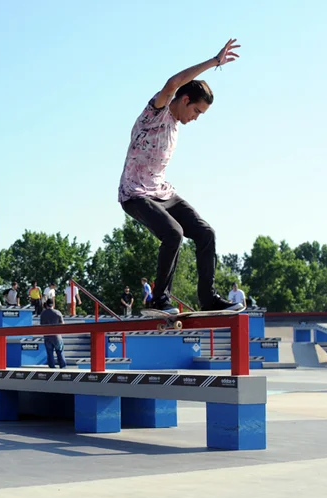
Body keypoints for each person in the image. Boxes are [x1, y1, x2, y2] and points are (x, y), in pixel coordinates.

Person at [118, 39, 244, 315]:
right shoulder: (157, 112)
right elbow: (173, 83)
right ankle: (158, 299)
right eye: (196, 110)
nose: (196, 118)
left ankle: (208, 299)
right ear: (185, 100)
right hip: (135, 194)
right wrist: (214, 62)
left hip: (162, 192)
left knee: (205, 233)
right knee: (173, 233)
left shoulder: (175, 125)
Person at [39, 299, 67, 369]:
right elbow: (62, 324)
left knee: (50, 353)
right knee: (59, 352)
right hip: (57, 336)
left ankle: (52, 368)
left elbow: (41, 325)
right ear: (53, 304)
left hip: (47, 336)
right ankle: (62, 367)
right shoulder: (57, 313)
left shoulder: (43, 314)